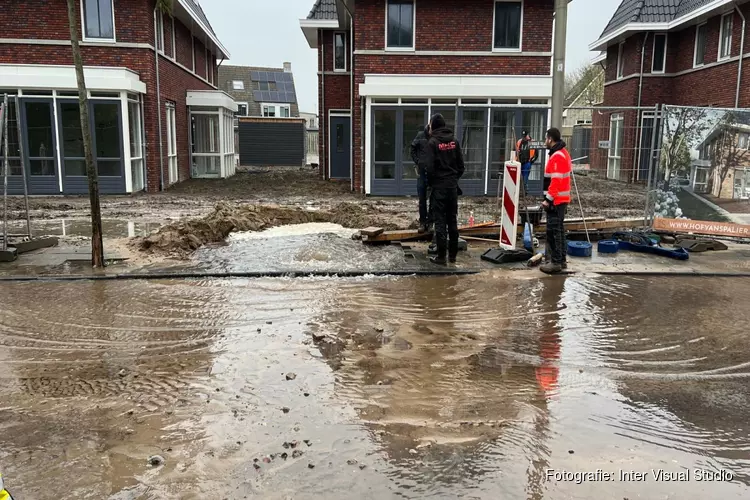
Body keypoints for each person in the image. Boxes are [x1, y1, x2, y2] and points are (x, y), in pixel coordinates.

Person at [420, 113, 465, 265]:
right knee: (452, 220)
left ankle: (441, 257)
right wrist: (452, 179)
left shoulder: (432, 143)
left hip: (439, 188)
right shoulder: (454, 141)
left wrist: (433, 183)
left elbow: (429, 168)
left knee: (440, 222)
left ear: (433, 125)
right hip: (452, 188)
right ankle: (452, 256)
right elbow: (461, 166)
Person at [540, 127, 572, 275]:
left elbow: (556, 180)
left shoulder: (557, 156)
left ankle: (556, 262)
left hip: (556, 200)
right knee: (558, 230)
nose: (545, 141)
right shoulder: (562, 152)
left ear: (550, 139)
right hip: (560, 199)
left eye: (546, 138)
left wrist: (548, 199)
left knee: (554, 231)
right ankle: (561, 260)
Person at [410, 124, 431, 233]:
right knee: (422, 199)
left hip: (433, 173)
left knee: (433, 199)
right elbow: (412, 148)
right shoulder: (420, 135)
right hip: (422, 172)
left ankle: (430, 223)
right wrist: (418, 161)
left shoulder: (436, 137)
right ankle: (423, 222)